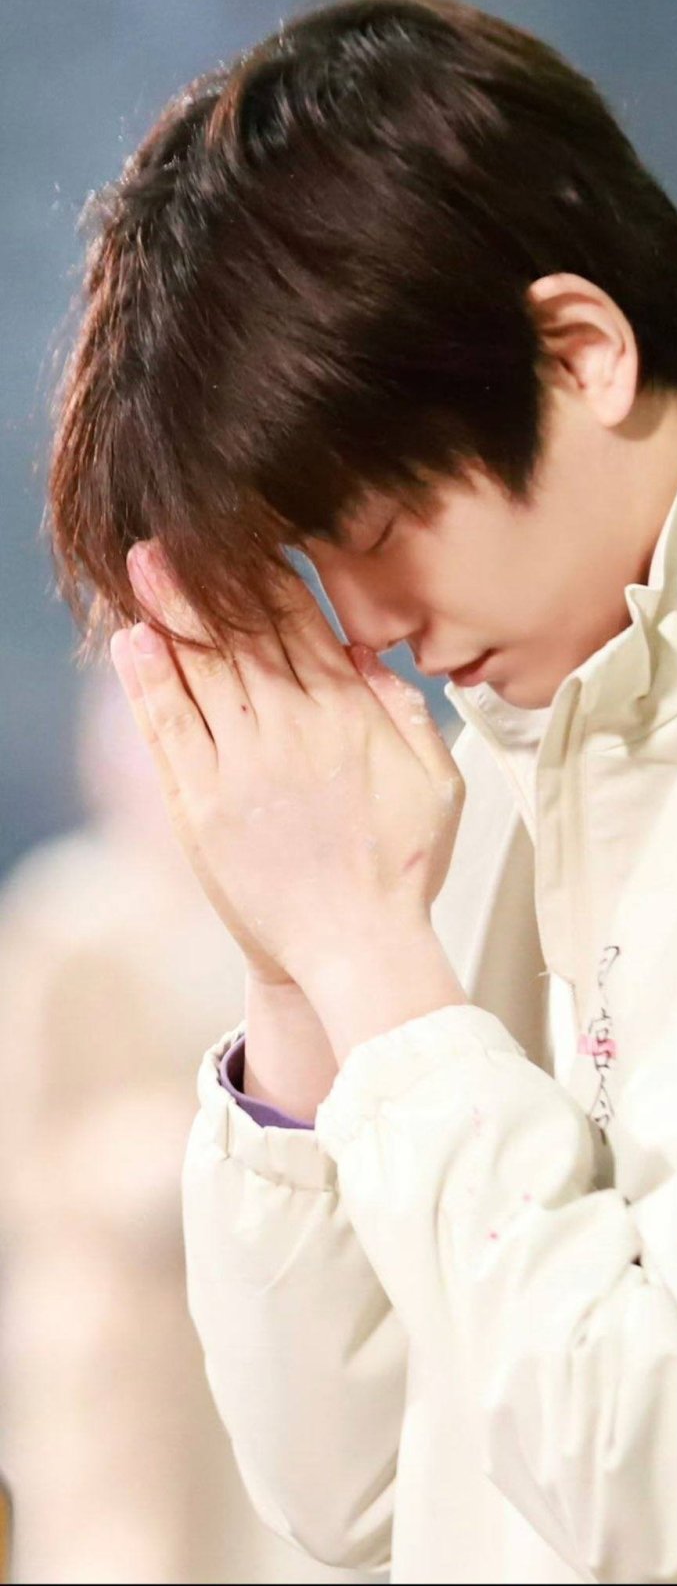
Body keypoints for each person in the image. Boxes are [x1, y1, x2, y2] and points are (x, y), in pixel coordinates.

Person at [44, 0, 677, 1583]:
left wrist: (368, 948)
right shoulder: (527, 733)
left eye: (374, 531)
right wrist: (292, 975)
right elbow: (347, 1484)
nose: (369, 626)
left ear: (580, 352)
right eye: (316, 566)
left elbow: (648, 1465)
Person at [0, 670, 355, 1584]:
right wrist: (126, 1164)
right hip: (118, 1333)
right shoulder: (63, 921)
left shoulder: (292, 918)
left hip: (264, 1309)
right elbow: (25, 1148)